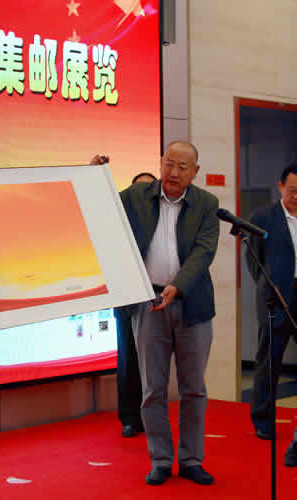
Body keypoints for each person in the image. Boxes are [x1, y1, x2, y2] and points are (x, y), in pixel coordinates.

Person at [99, 141, 219, 486]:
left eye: (182, 167)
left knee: (193, 388)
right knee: (153, 388)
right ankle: (161, 460)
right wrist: (94, 175)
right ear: (161, 162)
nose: (174, 172)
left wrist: (177, 286)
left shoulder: (207, 204)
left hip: (192, 304)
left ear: (195, 172)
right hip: (149, 302)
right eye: (169, 164)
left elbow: (204, 252)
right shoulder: (137, 197)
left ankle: (192, 460)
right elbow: (103, 208)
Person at [246, 163, 297, 441]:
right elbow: (254, 260)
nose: (296, 196)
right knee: (269, 361)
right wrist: (268, 288)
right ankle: (263, 420)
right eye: (292, 190)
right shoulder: (263, 217)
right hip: (276, 297)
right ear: (281, 186)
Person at [113, 171, 156, 438]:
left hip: (158, 300)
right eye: (138, 190)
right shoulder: (119, 222)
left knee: (154, 363)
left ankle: (153, 416)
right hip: (128, 300)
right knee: (129, 360)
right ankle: (130, 418)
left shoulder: (164, 223)